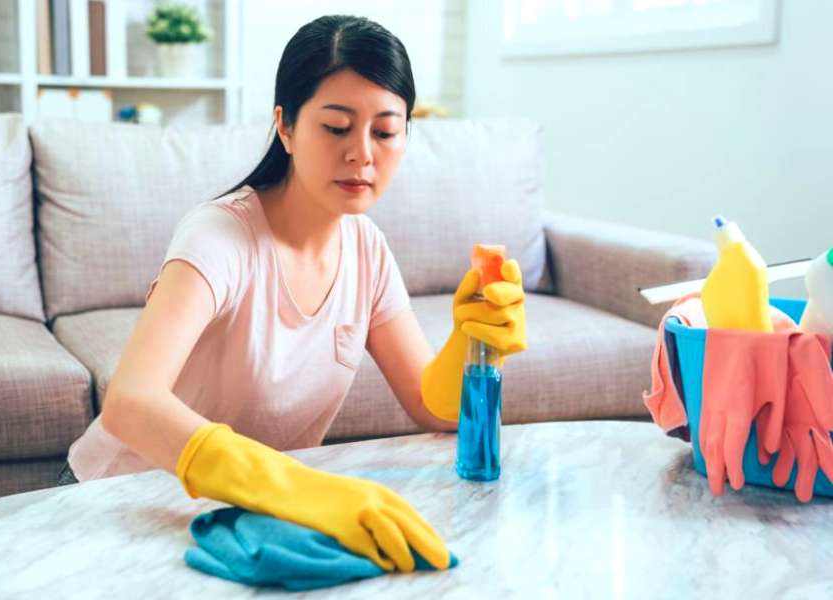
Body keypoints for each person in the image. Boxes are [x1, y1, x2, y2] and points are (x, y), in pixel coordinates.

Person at [59, 14, 527, 573]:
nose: (362, 154)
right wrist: (294, 486)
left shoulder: (366, 249)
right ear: (284, 127)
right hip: (120, 505)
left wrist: (475, 344)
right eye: (336, 128)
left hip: (242, 517)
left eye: (384, 131)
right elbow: (130, 403)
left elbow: (431, 406)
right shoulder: (220, 237)